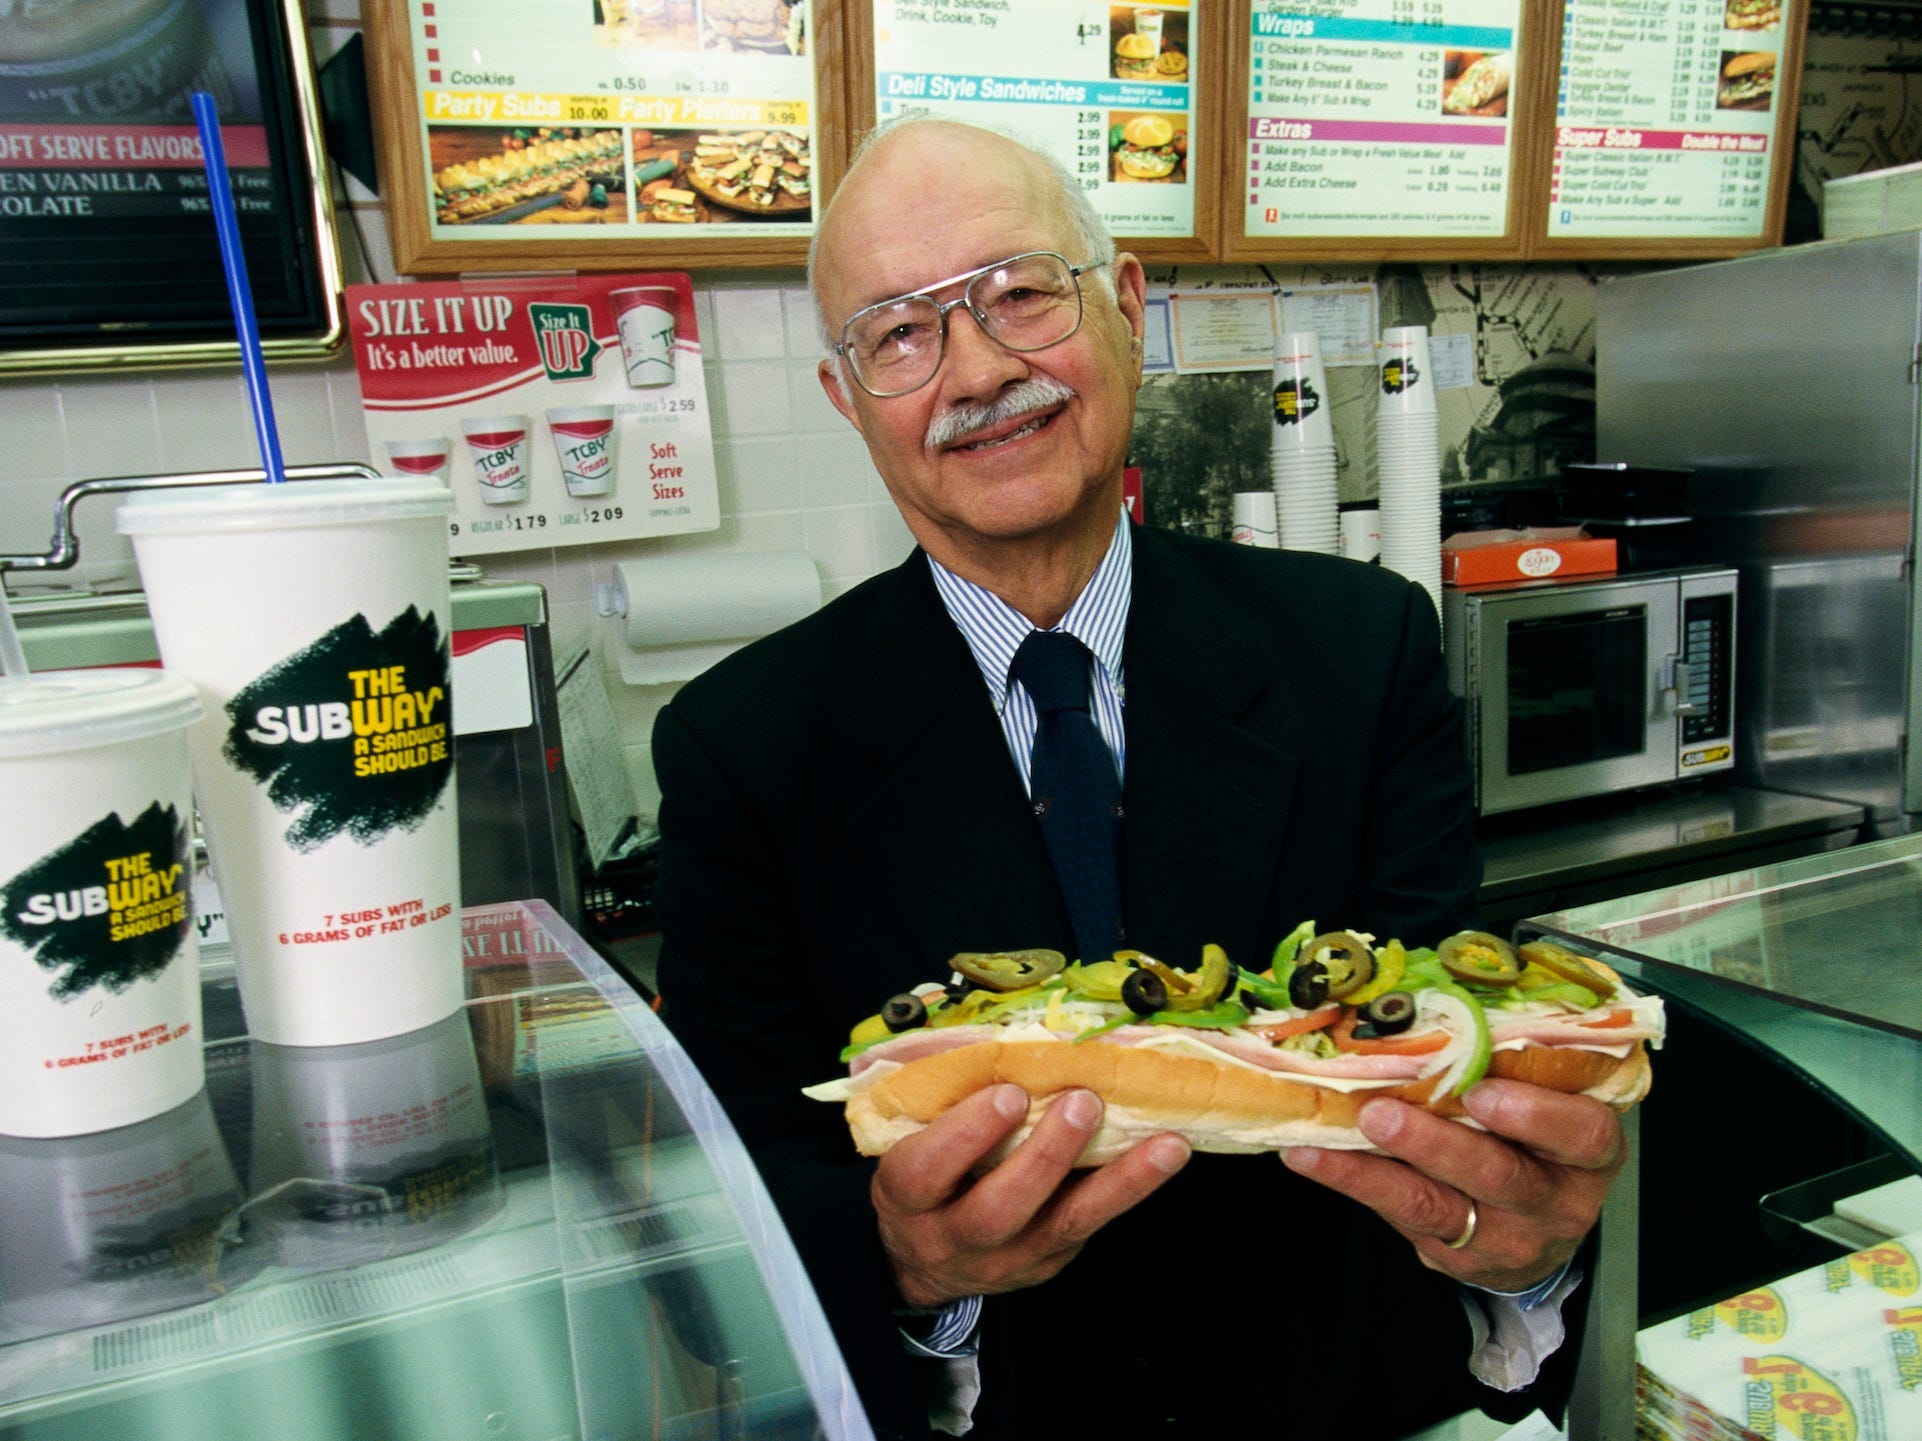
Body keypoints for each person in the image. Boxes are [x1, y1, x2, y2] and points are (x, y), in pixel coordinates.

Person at [652, 117, 1626, 1440]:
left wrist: (1521, 1247)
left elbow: (1420, 1063)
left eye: (1018, 294)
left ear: (1120, 304)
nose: (980, 370)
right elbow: (739, 1216)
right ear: (846, 398)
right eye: (898, 333)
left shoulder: (1356, 649)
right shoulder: (741, 745)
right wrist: (914, 1271)